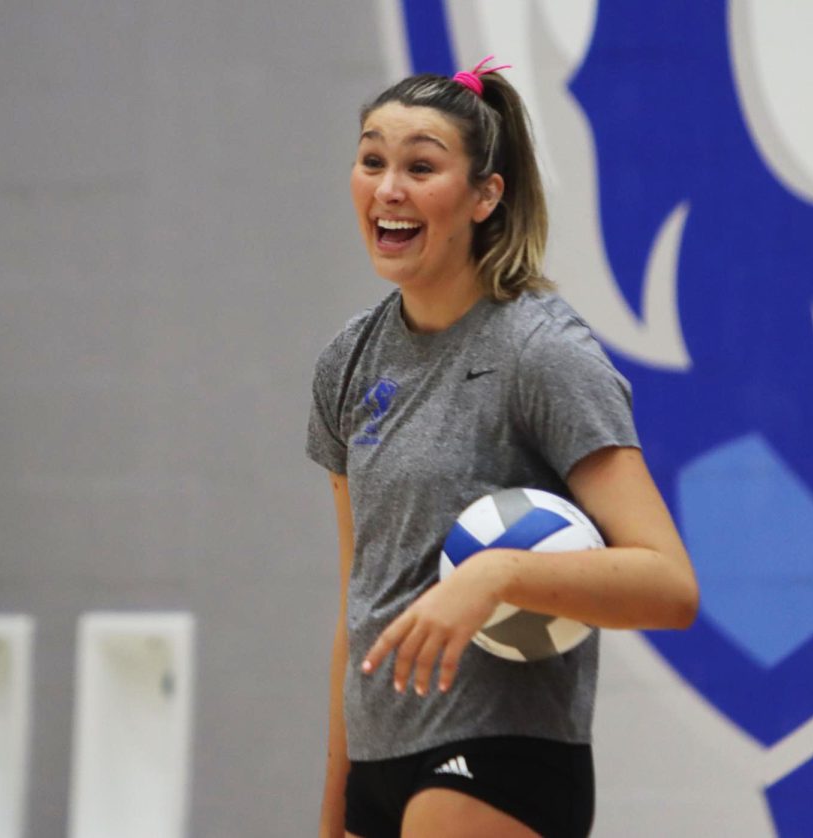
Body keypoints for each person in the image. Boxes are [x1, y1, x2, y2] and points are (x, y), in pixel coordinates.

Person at [306, 57, 699, 838]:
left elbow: (669, 586)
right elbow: (360, 601)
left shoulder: (540, 352)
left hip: (498, 754)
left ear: (486, 195)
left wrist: (498, 574)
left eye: (421, 165)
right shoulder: (348, 360)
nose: (389, 188)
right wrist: (336, 804)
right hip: (381, 763)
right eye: (372, 159)